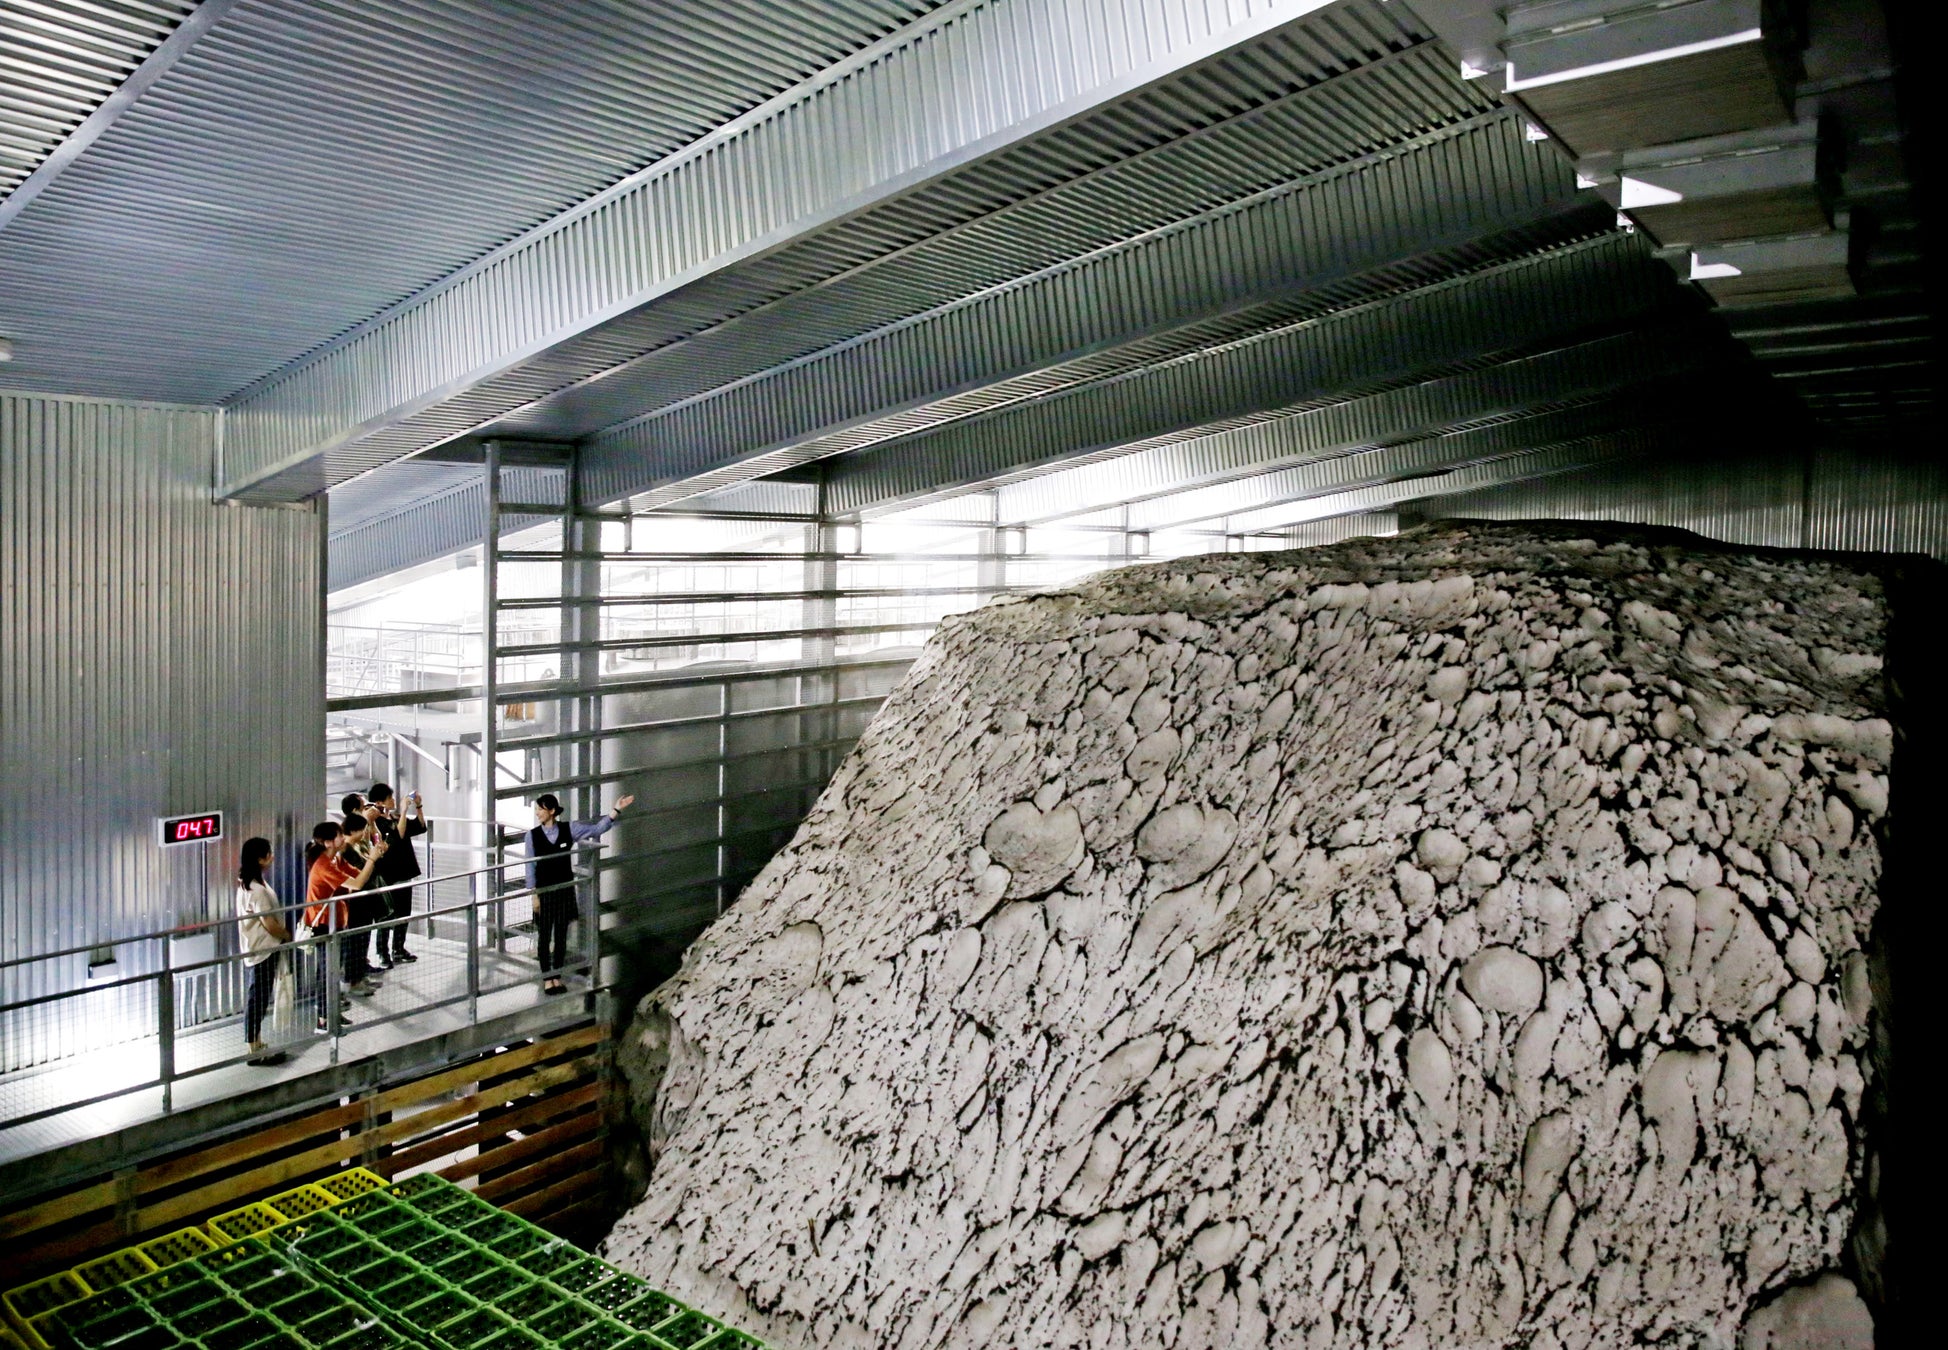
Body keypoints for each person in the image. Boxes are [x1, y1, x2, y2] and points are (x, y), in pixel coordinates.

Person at [525, 791, 633, 995]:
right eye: (537, 809)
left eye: (541, 809)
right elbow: (530, 867)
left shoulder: (569, 829)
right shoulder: (532, 836)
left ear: (552, 811)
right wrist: (534, 895)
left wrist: (616, 810)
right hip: (545, 891)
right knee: (544, 936)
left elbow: (596, 829)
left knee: (561, 936)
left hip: (564, 890)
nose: (538, 813)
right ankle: (547, 979)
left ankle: (556, 976)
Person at [304, 820, 387, 1031]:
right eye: (339, 835)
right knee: (327, 972)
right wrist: (372, 859)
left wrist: (374, 858)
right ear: (327, 842)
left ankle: (331, 1014)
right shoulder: (323, 866)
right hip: (324, 925)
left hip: (337, 922)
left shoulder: (335, 859)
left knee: (332, 971)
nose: (343, 838)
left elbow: (357, 875)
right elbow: (357, 884)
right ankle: (324, 1019)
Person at [235, 837, 289, 1066]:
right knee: (258, 998)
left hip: (258, 947)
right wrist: (286, 935)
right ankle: (253, 1048)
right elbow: (269, 924)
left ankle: (256, 1044)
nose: (272, 856)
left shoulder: (248, 883)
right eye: (269, 853)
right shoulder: (256, 890)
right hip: (263, 949)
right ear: (260, 859)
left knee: (257, 997)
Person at [367, 783, 427, 966]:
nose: (393, 801)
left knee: (404, 914)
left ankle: (398, 949)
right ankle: (383, 953)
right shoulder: (376, 822)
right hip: (388, 874)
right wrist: (403, 809)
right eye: (389, 798)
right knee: (386, 915)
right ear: (379, 802)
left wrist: (418, 806)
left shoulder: (396, 818)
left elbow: (420, 826)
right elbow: (398, 835)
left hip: (404, 871)